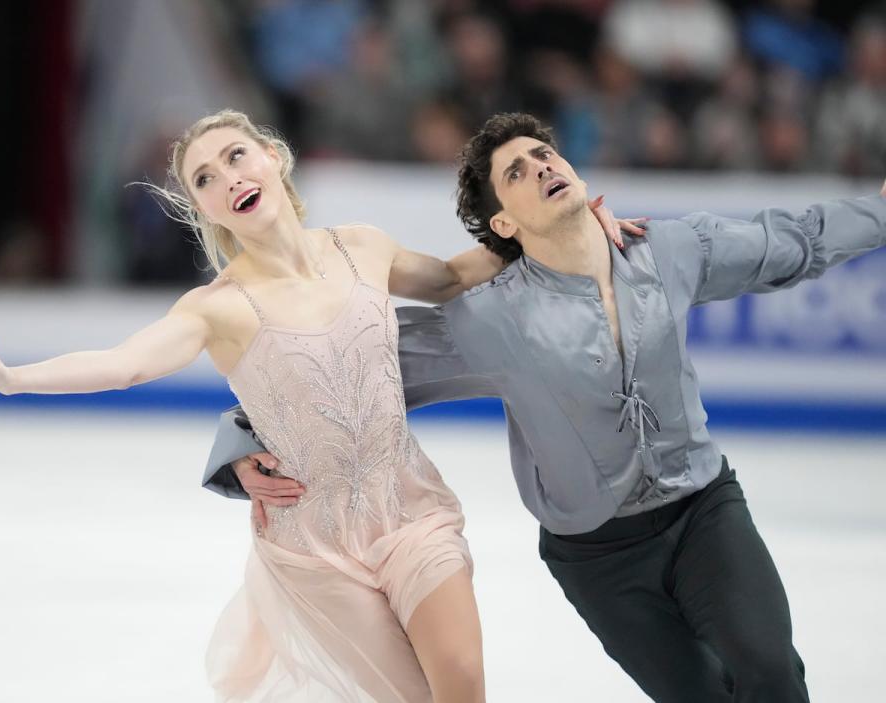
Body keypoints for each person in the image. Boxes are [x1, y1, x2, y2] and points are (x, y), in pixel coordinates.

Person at [0, 109, 635, 703]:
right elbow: (126, 362)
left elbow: (454, 276)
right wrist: (11, 378)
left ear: (272, 158)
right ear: (204, 209)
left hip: (409, 508)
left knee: (459, 679)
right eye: (205, 180)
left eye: (235, 156)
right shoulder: (217, 307)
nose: (227, 178)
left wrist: (559, 226)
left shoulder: (360, 246)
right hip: (315, 548)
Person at [209, 112, 886, 702]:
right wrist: (240, 440)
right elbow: (343, 370)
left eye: (544, 155)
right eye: (515, 173)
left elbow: (793, 240)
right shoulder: (489, 321)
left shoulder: (670, 250)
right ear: (502, 221)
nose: (540, 168)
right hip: (599, 560)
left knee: (769, 671)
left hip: (704, 510)